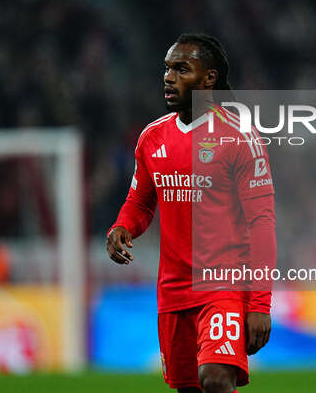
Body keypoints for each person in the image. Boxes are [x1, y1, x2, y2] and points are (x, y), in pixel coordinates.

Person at [107, 33, 276, 393]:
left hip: (223, 287)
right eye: (167, 69)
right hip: (173, 290)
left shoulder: (240, 136)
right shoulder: (152, 137)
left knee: (215, 379)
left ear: (208, 79)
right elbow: (139, 202)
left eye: (181, 69)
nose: (168, 77)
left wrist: (260, 302)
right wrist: (122, 226)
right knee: (190, 388)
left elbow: (262, 222)